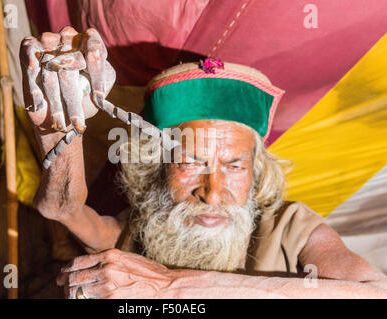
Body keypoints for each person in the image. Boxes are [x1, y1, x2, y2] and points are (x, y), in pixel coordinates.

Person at [20, 27, 387, 299]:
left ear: (256, 172)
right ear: (157, 166)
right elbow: (61, 208)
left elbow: (374, 293)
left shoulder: (291, 229)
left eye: (234, 166)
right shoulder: (146, 224)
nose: (212, 193)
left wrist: (169, 286)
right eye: (191, 163)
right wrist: (61, 135)